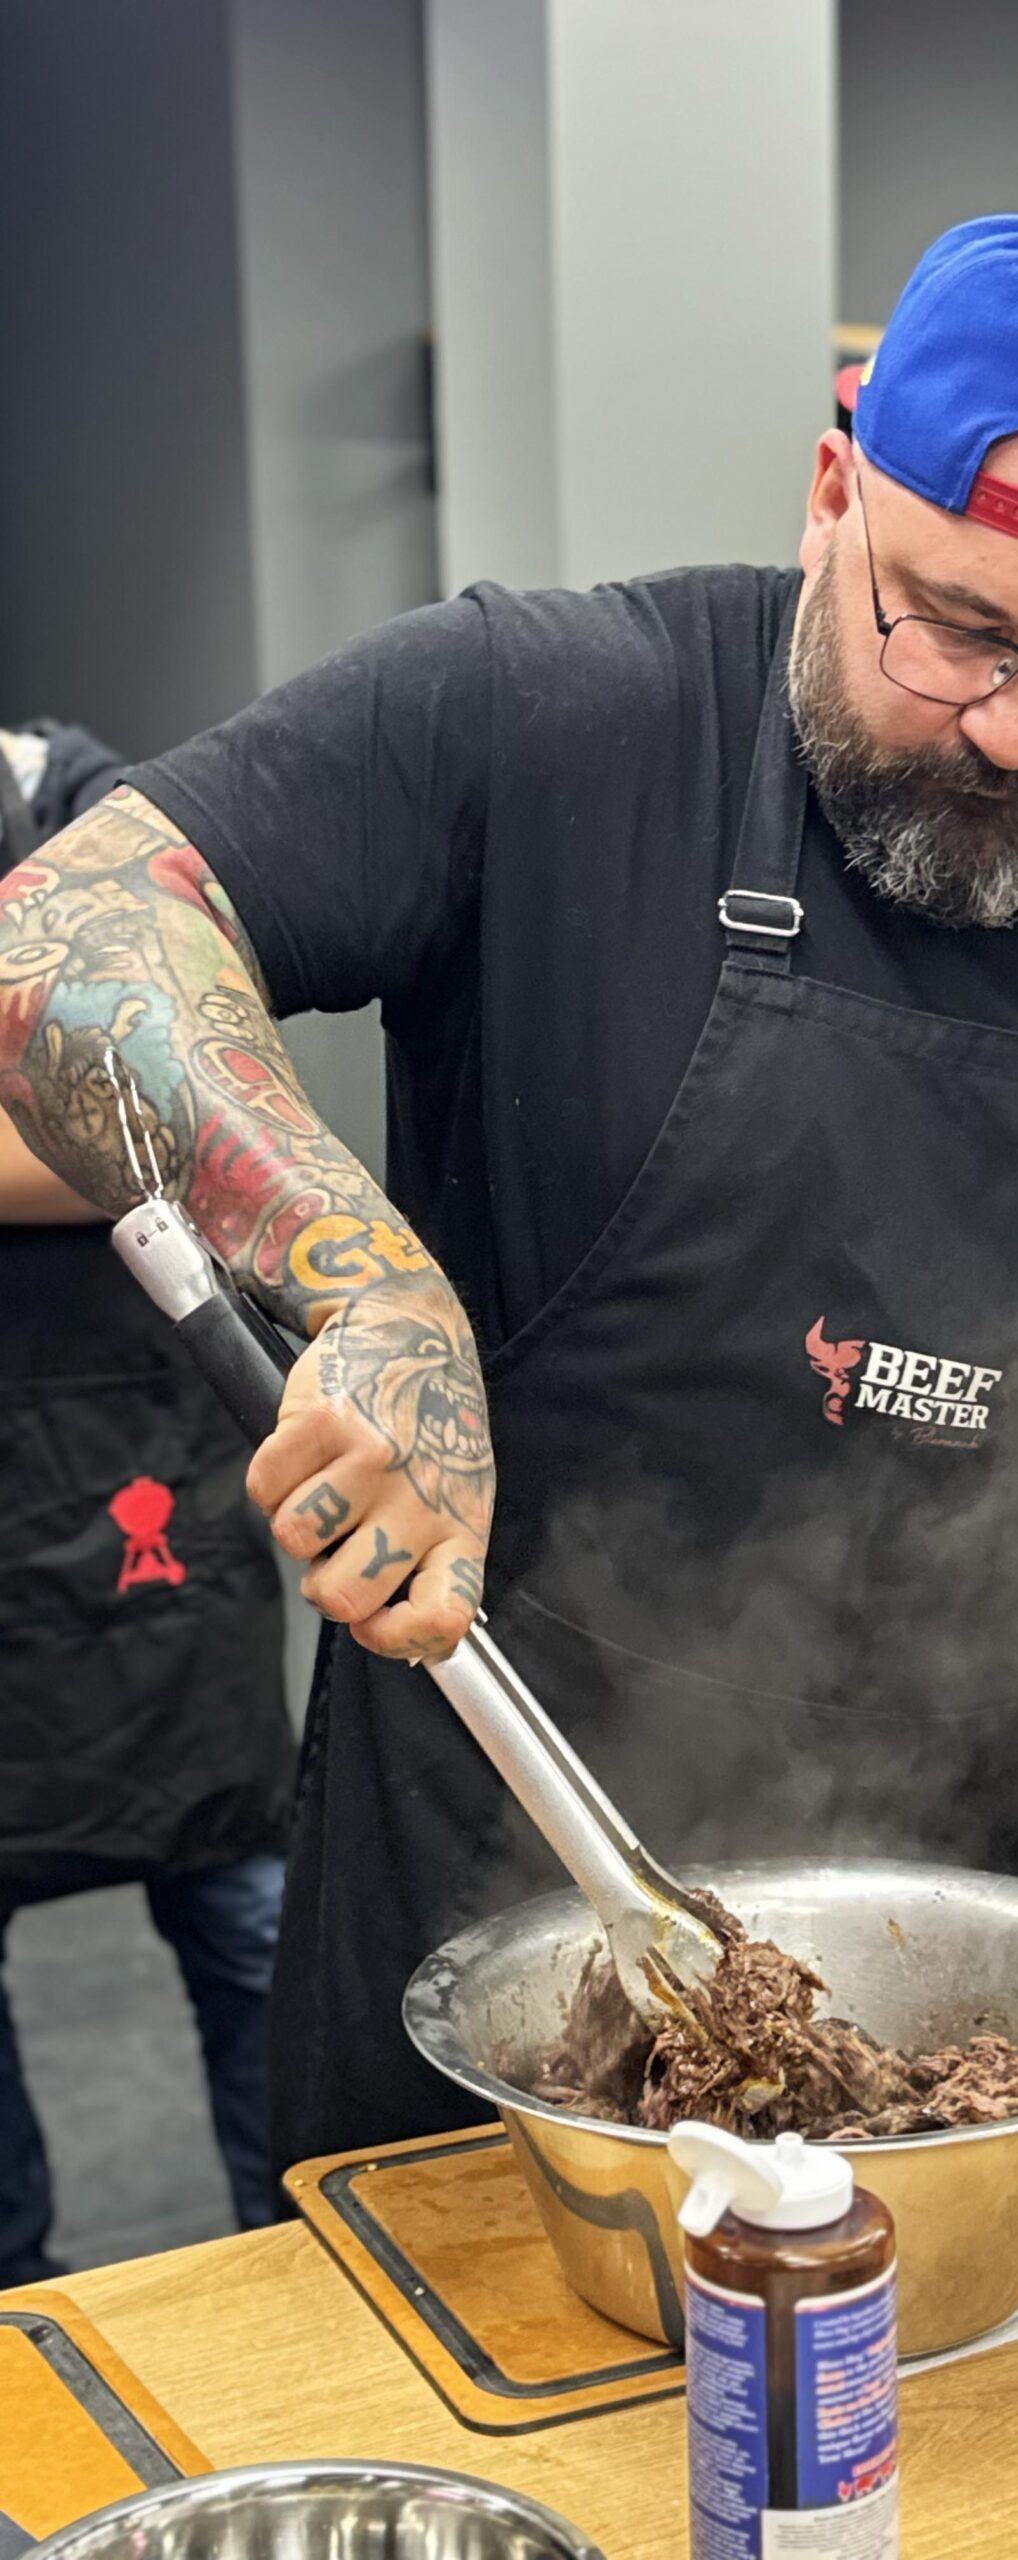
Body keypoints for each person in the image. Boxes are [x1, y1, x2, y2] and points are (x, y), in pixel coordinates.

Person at [0, 216, 1018, 2176]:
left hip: (990, 1948)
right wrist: (367, 1281)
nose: (1012, 723)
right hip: (491, 1910)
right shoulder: (548, 718)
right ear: (833, 497)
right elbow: (66, 927)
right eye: (955, 626)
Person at [0, 721, 294, 2284]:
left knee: (246, 1919)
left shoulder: (99, 817)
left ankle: (305, 2277)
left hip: (144, 1475)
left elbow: (165, 1129)